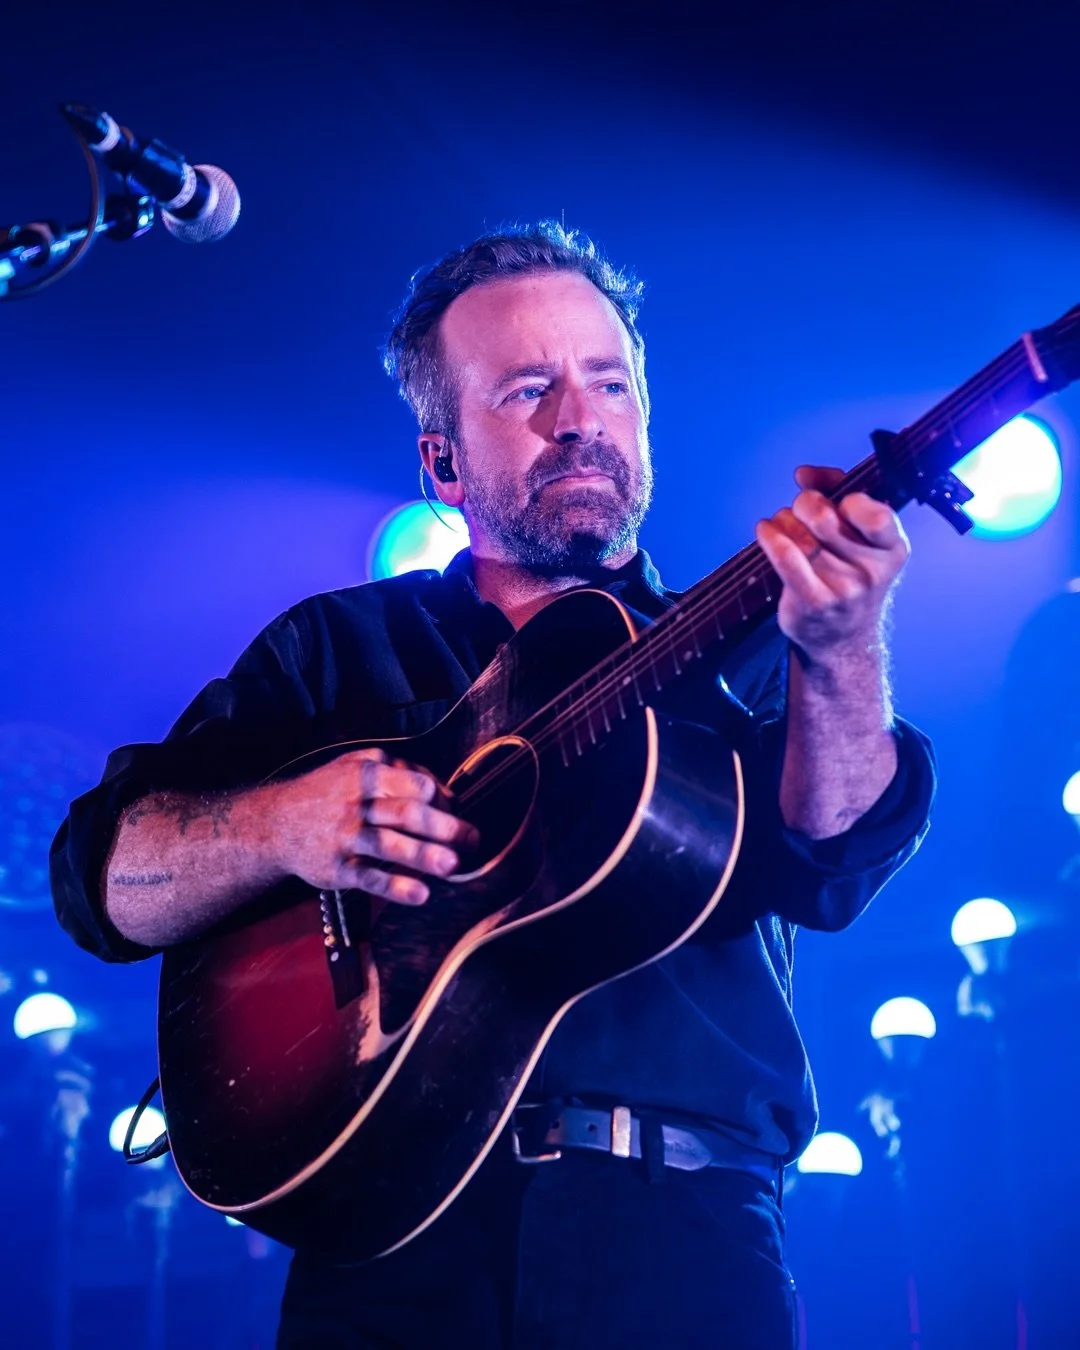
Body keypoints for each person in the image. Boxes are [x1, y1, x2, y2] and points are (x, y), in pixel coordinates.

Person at [51, 221, 936, 1349]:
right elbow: (101, 883)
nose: (581, 418)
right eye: (528, 390)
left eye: (608, 383)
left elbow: (832, 865)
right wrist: (279, 826)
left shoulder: (758, 641)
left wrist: (844, 649)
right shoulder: (335, 652)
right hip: (388, 1248)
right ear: (443, 463)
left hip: (681, 1238)